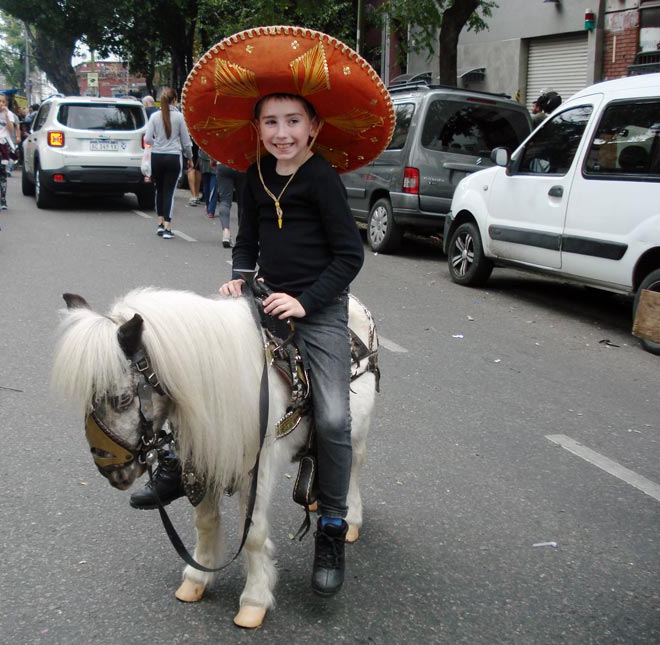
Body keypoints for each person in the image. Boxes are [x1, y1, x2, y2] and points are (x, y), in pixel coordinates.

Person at [132, 26, 395, 599]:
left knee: (330, 418)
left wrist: (306, 300)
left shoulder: (322, 178)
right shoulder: (252, 179)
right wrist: (239, 279)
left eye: (293, 122)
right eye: (271, 123)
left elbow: (350, 253)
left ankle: (329, 528)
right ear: (258, 130)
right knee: (200, 375)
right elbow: (246, 242)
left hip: (318, 312)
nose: (282, 133)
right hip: (261, 302)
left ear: (314, 128)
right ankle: (182, 463)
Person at [143, 87, 192, 239]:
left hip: (157, 156)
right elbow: (185, 142)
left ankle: (159, 223)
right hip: (173, 157)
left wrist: (158, 142)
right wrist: (189, 157)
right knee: (169, 192)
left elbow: (147, 139)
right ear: (175, 100)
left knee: (159, 190)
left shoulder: (154, 117)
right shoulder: (179, 117)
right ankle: (167, 226)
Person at [215, 161, 246, 248]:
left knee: (225, 201)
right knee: (243, 203)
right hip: (242, 166)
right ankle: (242, 235)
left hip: (223, 164)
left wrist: (212, 160)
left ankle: (226, 232)